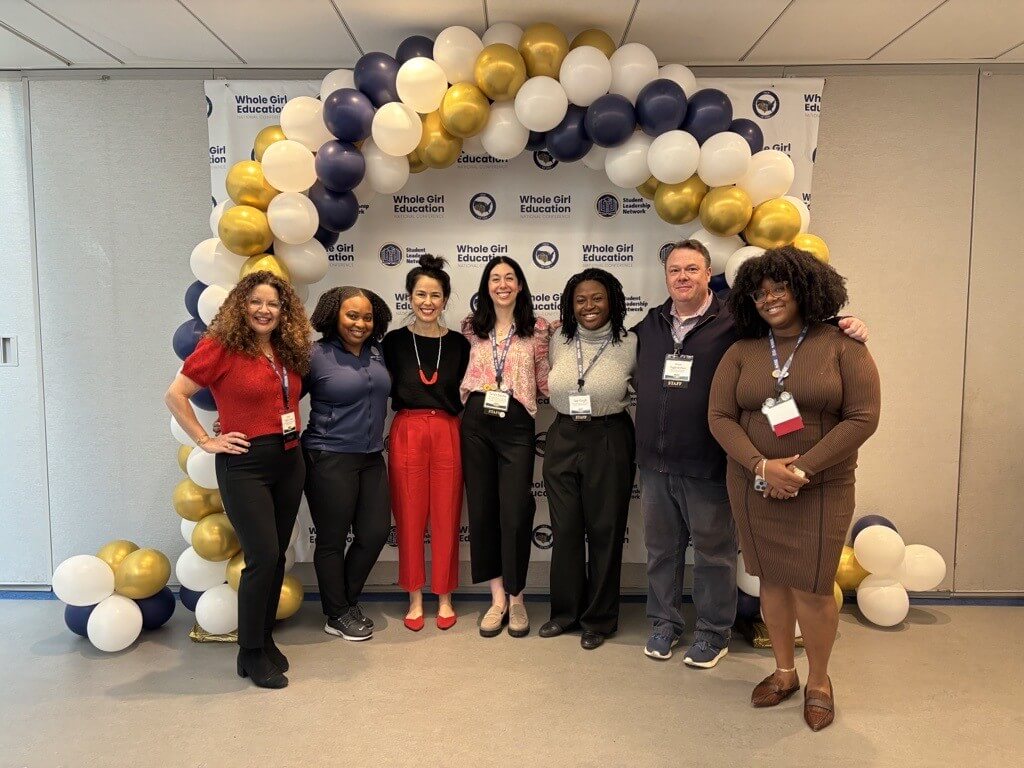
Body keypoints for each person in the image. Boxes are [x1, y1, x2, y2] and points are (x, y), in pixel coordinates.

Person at [632, 239, 867, 669]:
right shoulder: (648, 324)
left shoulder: (734, 324)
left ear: (708, 274)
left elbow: (799, 337)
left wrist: (846, 323)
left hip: (710, 462)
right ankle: (663, 623)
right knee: (661, 550)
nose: (682, 277)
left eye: (692, 269)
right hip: (659, 462)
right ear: (665, 277)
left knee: (714, 551)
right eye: (674, 270)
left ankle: (712, 631)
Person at [709, 246, 880, 731]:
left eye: (779, 288)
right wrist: (763, 466)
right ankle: (784, 672)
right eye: (760, 293)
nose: (769, 299)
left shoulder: (844, 345)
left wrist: (800, 470)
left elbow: (863, 417)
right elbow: (720, 416)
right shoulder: (741, 351)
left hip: (822, 487)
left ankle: (819, 680)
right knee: (773, 582)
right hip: (752, 484)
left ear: (805, 289)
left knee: (812, 586)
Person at [166, 271, 311, 689]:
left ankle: (264, 640)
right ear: (241, 306)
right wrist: (205, 440)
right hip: (245, 463)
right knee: (262, 557)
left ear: (284, 312)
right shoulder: (222, 347)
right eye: (257, 302)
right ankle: (248, 653)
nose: (265, 310)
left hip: (289, 459)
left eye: (274, 304)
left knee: (277, 556)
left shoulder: (286, 348)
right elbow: (175, 394)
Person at [539, 268, 636, 650]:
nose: (589, 306)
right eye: (580, 299)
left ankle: (599, 619)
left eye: (597, 298)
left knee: (605, 531)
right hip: (563, 435)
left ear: (612, 299)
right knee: (564, 532)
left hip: (609, 436)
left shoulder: (631, 342)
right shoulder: (557, 340)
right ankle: (564, 613)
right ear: (570, 304)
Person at [460, 256, 551, 638]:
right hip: (477, 419)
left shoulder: (539, 327)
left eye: (509, 278)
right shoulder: (470, 327)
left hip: (517, 421)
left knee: (515, 511)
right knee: (482, 510)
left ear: (520, 285)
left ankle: (518, 598)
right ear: (486, 286)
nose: (502, 284)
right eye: (495, 278)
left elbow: (545, 379)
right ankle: (497, 598)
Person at [382, 255, 471, 632]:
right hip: (407, 430)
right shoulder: (393, 342)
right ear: (409, 296)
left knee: (447, 515)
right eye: (420, 294)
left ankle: (445, 595)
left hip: (449, 430)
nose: (428, 302)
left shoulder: (460, 344)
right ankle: (415, 596)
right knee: (410, 516)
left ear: (446, 299)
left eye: (436, 295)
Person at [303, 286, 392, 642]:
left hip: (371, 457)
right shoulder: (315, 355)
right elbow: (280, 395)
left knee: (373, 534)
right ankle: (337, 613)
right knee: (331, 539)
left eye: (367, 317)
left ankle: (345, 602)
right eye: (352, 315)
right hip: (329, 456)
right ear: (333, 316)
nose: (360, 323)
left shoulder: (377, 353)